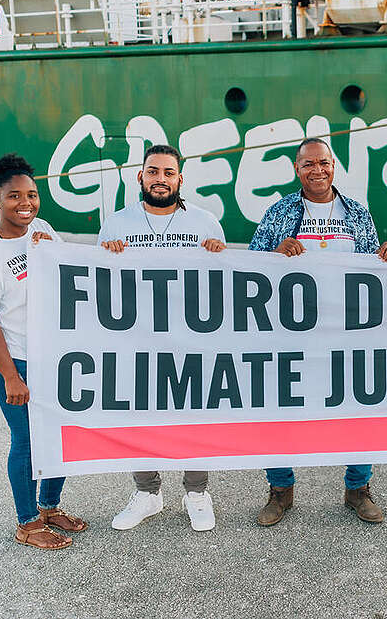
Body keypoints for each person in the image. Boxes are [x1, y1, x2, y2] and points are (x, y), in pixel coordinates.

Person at [248, 137, 387, 526]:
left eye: (323, 163)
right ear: (296, 170)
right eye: (308, 165)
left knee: (357, 406)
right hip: (290, 331)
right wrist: (274, 253)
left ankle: (358, 488)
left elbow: (371, 269)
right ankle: (280, 491)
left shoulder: (357, 213)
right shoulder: (281, 211)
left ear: (334, 165)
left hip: (345, 330)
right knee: (280, 409)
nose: (317, 171)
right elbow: (248, 265)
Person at [101, 144, 227, 532]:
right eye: (153, 172)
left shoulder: (206, 222)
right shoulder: (117, 224)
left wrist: (218, 255)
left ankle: (196, 493)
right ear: (140, 177)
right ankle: (147, 493)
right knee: (140, 415)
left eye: (168, 173)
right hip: (137, 340)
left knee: (194, 413)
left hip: (191, 339)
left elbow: (226, 283)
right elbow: (94, 284)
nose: (160, 179)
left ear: (180, 180)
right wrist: (107, 256)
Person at [0, 153, 88, 550]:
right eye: (15, 196)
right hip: (13, 359)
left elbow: (75, 268)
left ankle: (49, 506)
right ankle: (27, 522)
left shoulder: (44, 229)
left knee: (60, 435)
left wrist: (105, 249)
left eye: (32, 195)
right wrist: (10, 376)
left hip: (53, 356)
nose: (26, 204)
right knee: (28, 440)